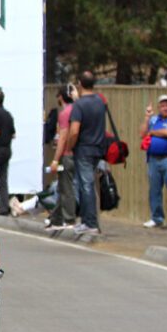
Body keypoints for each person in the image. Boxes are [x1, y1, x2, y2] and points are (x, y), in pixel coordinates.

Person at [68, 71, 107, 232]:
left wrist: (71, 145)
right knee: (88, 184)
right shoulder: (100, 101)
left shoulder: (79, 105)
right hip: (98, 147)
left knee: (86, 185)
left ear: (79, 84)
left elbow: (75, 130)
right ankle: (86, 219)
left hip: (84, 148)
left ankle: (90, 222)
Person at [142, 94, 167, 228]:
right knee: (154, 190)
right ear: (159, 107)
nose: (165, 108)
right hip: (153, 159)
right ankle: (156, 218)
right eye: (163, 106)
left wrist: (152, 133)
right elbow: (142, 133)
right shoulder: (154, 120)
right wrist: (147, 117)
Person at [46, 87, 76, 229]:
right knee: (62, 187)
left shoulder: (65, 113)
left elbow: (63, 137)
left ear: (61, 97)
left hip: (66, 154)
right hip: (77, 154)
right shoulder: (77, 110)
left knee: (66, 188)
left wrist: (56, 159)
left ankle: (69, 219)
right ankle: (56, 218)